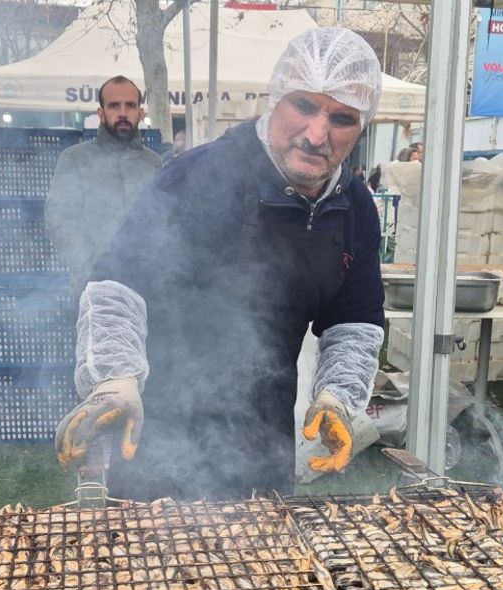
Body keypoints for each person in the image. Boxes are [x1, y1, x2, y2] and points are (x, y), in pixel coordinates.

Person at [54, 27, 386, 501]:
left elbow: (353, 321)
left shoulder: (355, 207)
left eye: (342, 118)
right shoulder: (195, 176)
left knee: (264, 544)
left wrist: (336, 395)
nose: (317, 135)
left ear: (362, 125)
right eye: (304, 106)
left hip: (264, 435)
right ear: (276, 98)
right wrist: (117, 380)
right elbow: (117, 286)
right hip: (160, 433)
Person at [45, 75, 163, 299]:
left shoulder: (153, 163)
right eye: (114, 106)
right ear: (101, 113)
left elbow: (161, 223)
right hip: (92, 291)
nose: (123, 113)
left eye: (130, 106)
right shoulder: (76, 159)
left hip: (147, 291)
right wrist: (91, 265)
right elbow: (59, 219)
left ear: (140, 113)